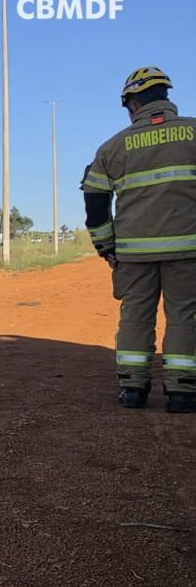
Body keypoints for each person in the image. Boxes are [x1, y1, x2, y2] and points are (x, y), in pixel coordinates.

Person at [82, 66, 196, 412]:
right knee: (185, 316)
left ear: (131, 103)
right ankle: (183, 393)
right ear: (166, 97)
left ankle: (132, 389)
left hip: (132, 254)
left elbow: (95, 199)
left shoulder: (112, 147)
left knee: (134, 317)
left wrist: (106, 246)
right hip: (189, 251)